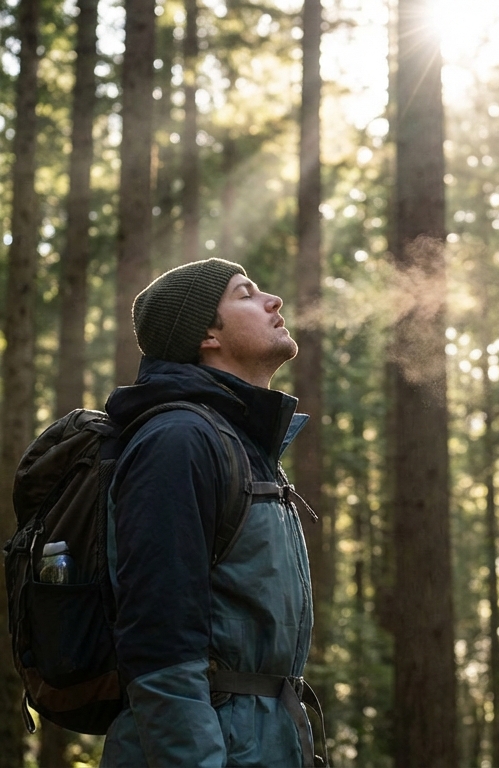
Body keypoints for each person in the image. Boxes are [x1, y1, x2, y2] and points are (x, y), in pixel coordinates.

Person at [102, 258, 316, 767]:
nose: (273, 301)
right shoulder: (178, 441)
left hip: (256, 741)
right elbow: (160, 644)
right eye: (245, 294)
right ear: (206, 335)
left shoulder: (238, 444)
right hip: (205, 745)